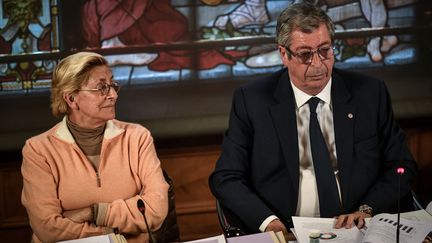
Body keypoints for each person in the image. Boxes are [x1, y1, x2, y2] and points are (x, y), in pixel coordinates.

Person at [209, 2, 417, 237]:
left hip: (356, 227)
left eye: (325, 50)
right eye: (305, 54)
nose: (318, 64)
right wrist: (269, 222)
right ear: (284, 55)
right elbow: (226, 177)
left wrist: (367, 209)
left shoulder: (369, 94)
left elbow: (401, 165)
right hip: (284, 230)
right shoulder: (252, 101)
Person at [21, 52, 169, 243]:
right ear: (71, 99)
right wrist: (111, 236)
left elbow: (156, 211)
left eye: (112, 85)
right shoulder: (38, 150)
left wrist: (95, 212)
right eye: (101, 88)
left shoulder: (137, 137)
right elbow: (48, 228)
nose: (113, 95)